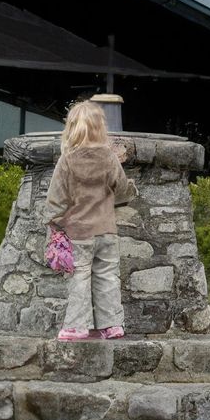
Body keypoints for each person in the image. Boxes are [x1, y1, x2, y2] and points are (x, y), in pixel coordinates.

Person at [45, 98, 136, 341]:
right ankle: (112, 325)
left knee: (79, 277)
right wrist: (130, 192)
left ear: (72, 128)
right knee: (107, 276)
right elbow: (122, 188)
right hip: (106, 230)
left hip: (78, 232)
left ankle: (77, 326)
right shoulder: (109, 157)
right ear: (99, 128)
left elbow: (55, 199)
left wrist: (54, 223)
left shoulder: (67, 160)